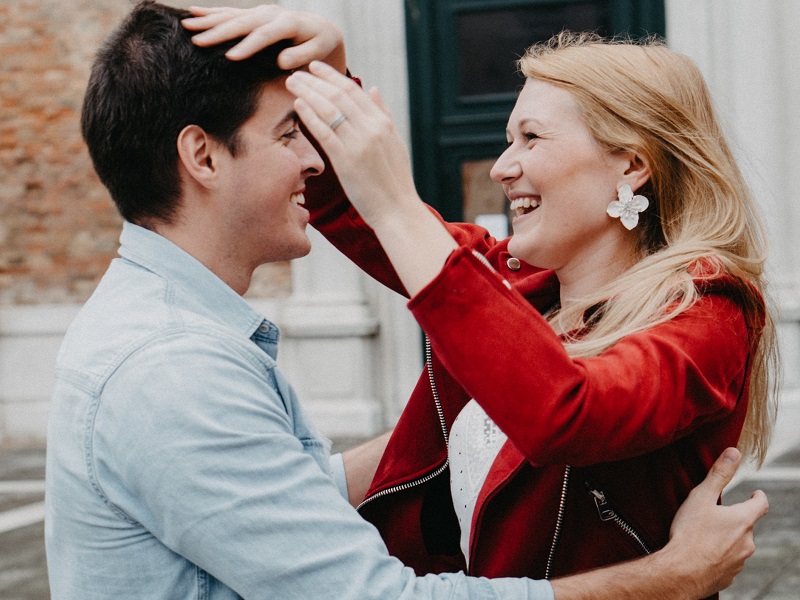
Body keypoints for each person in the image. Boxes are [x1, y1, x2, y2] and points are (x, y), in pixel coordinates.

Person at [44, 2, 767, 599]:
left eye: (532, 137)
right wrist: (327, 80)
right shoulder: (517, 281)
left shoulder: (705, 305)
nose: (505, 164)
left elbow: (566, 411)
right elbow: (360, 218)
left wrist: (385, 185)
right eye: (506, 136)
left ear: (632, 162)